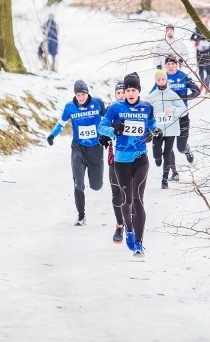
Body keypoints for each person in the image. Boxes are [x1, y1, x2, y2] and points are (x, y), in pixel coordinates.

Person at [99, 73, 159, 257]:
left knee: (139, 201)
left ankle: (139, 243)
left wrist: (154, 131)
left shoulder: (146, 107)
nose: (130, 93)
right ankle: (129, 230)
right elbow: (101, 127)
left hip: (141, 159)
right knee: (127, 200)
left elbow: (152, 124)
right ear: (123, 92)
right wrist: (114, 129)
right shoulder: (115, 108)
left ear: (139, 91)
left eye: (134, 90)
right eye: (127, 90)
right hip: (122, 161)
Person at [47, 80, 106, 226]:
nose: (81, 98)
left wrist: (108, 135)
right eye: (78, 95)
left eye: (83, 94)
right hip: (78, 148)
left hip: (95, 148)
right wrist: (52, 135)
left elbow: (107, 120)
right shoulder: (70, 107)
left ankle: (95, 182)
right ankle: (81, 215)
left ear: (87, 93)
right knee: (78, 183)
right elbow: (61, 123)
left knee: (96, 186)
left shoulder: (98, 103)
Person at [155, 55, 200, 180]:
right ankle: (174, 172)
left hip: (182, 114)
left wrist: (186, 98)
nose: (170, 67)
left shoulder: (183, 76)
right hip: (168, 117)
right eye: (168, 64)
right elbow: (153, 95)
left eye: (172, 64)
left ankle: (187, 150)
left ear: (176, 65)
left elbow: (197, 90)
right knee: (169, 147)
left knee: (180, 147)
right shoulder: (162, 78)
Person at [146, 69, 187, 189]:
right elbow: (146, 111)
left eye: (163, 79)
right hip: (157, 130)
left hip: (171, 129)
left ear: (166, 80)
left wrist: (173, 109)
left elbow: (184, 110)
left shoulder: (173, 95)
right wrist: (151, 112)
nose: (161, 81)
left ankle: (165, 180)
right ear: (155, 81)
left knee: (167, 154)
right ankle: (157, 158)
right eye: (158, 79)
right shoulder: (152, 96)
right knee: (157, 154)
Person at [98, 81, 126, 243]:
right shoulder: (110, 111)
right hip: (114, 158)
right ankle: (119, 225)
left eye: (124, 92)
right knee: (116, 193)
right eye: (119, 93)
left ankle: (131, 224)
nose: (121, 95)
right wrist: (104, 138)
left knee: (128, 194)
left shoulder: (135, 110)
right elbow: (102, 129)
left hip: (132, 158)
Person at [190, 15, 210, 93]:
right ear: (202, 20)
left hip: (207, 51)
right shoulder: (197, 29)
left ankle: (207, 85)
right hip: (199, 51)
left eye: (207, 20)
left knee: (208, 69)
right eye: (204, 19)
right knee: (200, 69)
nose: (206, 21)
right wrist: (197, 38)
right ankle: (202, 83)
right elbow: (191, 38)